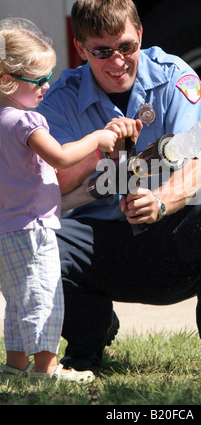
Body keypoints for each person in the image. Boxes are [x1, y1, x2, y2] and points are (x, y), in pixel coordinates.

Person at [37, 0, 201, 372]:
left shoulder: (174, 78)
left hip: (170, 240)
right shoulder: (60, 99)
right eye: (102, 51)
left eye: (125, 46)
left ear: (140, 34)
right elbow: (47, 188)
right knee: (38, 234)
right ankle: (87, 343)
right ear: (81, 49)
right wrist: (96, 152)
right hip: (99, 244)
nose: (118, 61)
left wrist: (160, 202)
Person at [0, 19, 121, 383]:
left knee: (19, 300)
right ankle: (47, 369)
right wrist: (98, 138)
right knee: (45, 298)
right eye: (38, 81)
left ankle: (15, 366)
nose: (46, 86)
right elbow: (62, 157)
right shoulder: (24, 122)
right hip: (33, 229)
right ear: (7, 79)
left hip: (8, 229)